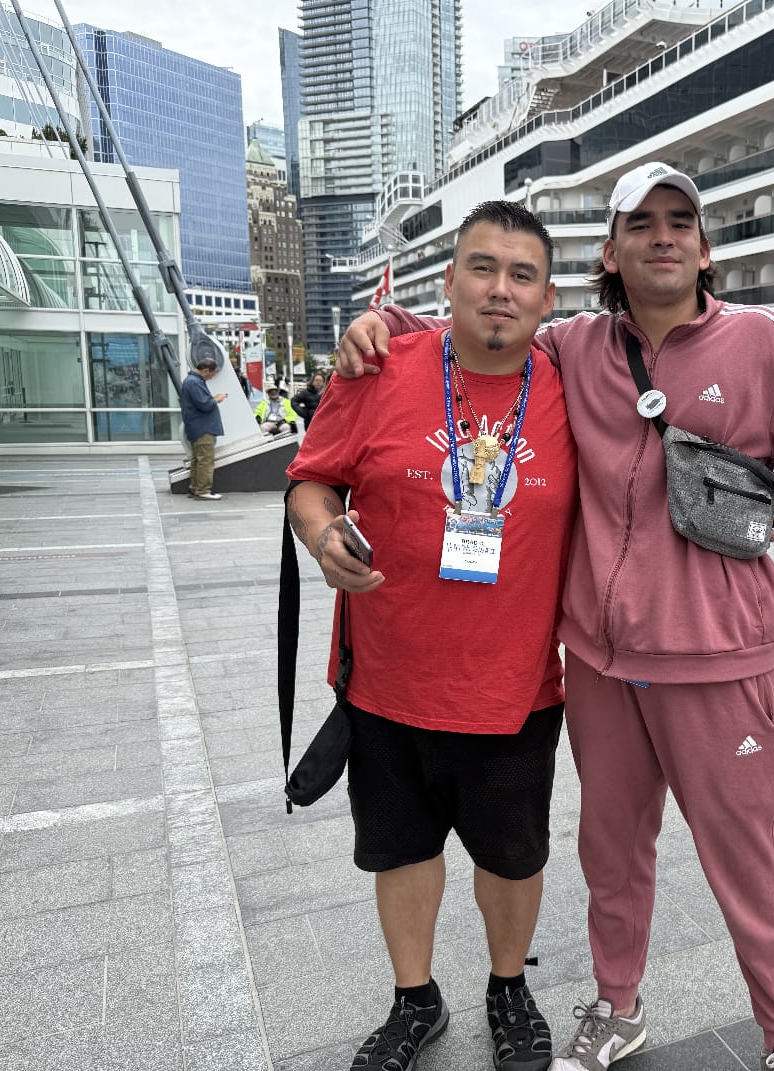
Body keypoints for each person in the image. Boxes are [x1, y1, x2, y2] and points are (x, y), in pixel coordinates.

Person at [335, 162, 774, 1071]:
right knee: (612, 852)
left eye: (680, 222)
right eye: (641, 224)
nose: (662, 236)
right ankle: (617, 1006)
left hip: (717, 657)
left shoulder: (764, 342)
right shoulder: (576, 346)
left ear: (705, 249)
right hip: (599, 661)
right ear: (610, 252)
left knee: (747, 859)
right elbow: (482, 328)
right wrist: (385, 324)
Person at [286, 200, 578, 1071]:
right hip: (388, 679)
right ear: (448, 282)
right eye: (482, 268)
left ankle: (508, 987)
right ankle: (415, 998)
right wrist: (323, 536)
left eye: (522, 275)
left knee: (513, 857)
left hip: (516, 687)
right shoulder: (379, 370)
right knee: (401, 851)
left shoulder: (574, 389)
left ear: (547, 298)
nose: (500, 289)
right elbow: (310, 482)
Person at [179, 355, 226, 501]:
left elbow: (200, 401)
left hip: (195, 426)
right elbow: (204, 405)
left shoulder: (191, 381)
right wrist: (216, 400)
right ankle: (203, 490)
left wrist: (212, 399)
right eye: (212, 374)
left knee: (197, 460)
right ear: (206, 370)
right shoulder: (194, 382)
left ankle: (195, 488)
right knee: (205, 460)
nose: (212, 377)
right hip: (203, 427)